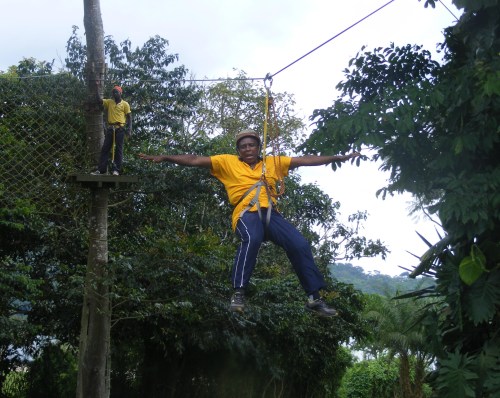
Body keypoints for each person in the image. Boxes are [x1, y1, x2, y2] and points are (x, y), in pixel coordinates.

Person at [138, 129, 360, 317]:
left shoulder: (273, 163)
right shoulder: (227, 162)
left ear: (258, 147)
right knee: (251, 238)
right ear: (238, 150)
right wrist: (166, 157)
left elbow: (305, 160)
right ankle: (238, 291)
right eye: (243, 146)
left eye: (252, 145)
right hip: (246, 213)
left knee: (299, 244)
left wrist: (336, 158)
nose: (247, 149)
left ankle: (314, 298)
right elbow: (195, 159)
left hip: (271, 214)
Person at [92, 85, 132, 176]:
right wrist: (97, 88)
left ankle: (116, 170)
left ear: (120, 93)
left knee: (118, 150)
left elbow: (129, 117)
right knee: (105, 149)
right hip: (111, 128)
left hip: (120, 129)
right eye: (113, 92)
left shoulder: (125, 104)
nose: (114, 94)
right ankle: (101, 170)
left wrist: (129, 129)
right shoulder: (109, 102)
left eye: (116, 92)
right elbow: (99, 100)